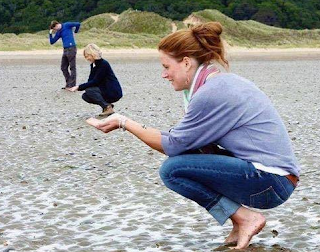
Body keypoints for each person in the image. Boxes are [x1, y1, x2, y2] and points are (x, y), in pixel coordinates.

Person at [86, 22, 300, 249]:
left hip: (271, 183)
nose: (164, 74)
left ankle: (246, 218)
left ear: (186, 62)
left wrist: (123, 122)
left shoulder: (211, 92)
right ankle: (240, 222)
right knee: (193, 155)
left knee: (172, 170)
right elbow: (184, 141)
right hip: (275, 179)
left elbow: (172, 146)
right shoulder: (217, 83)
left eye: (167, 66)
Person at [68, 44, 123, 117]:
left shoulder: (103, 64)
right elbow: (90, 81)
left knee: (89, 90)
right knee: (85, 96)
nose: (87, 58)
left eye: (88, 56)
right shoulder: (94, 65)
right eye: (85, 56)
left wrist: (78, 87)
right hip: (104, 90)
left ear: (93, 54)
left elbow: (95, 81)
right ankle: (106, 106)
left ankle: (107, 108)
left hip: (113, 92)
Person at [49, 20, 81, 88]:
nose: (55, 30)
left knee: (72, 67)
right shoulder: (59, 32)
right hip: (65, 50)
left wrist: (76, 31)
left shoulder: (67, 25)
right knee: (63, 67)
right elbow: (52, 42)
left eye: (55, 29)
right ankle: (69, 82)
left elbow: (78, 24)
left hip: (71, 48)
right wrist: (50, 34)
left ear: (57, 25)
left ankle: (72, 85)